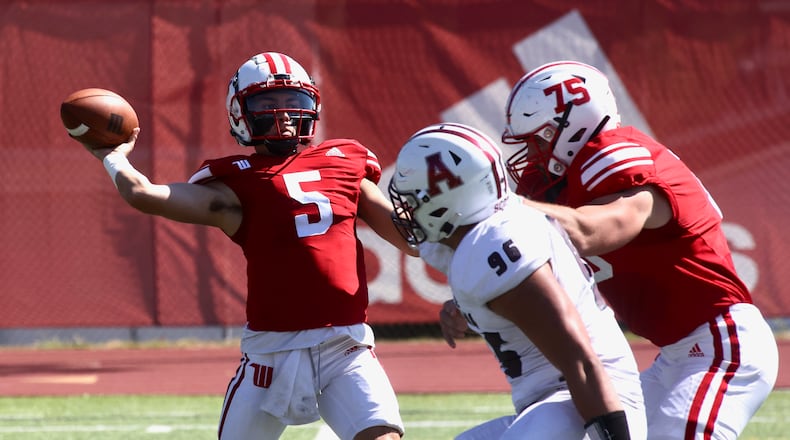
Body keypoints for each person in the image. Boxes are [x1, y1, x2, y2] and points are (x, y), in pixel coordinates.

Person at [80, 52, 412, 440]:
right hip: (270, 357)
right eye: (267, 104)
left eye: (293, 102)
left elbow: (411, 238)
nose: (284, 114)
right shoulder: (236, 183)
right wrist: (113, 157)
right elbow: (142, 194)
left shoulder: (345, 161)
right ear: (240, 113)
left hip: (346, 347)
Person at [444, 60, 778, 439]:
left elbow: (588, 231)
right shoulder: (553, 182)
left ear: (573, 126)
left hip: (723, 344)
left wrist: (496, 204)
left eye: (540, 138)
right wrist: (473, 299)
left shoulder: (624, 161)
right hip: (674, 356)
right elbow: (524, 253)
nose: (532, 153)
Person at [390, 122, 647, 439]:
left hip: (589, 399)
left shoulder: (494, 244)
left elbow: (580, 361)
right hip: (559, 400)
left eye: (414, 202)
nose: (409, 212)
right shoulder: (476, 232)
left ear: (444, 202)